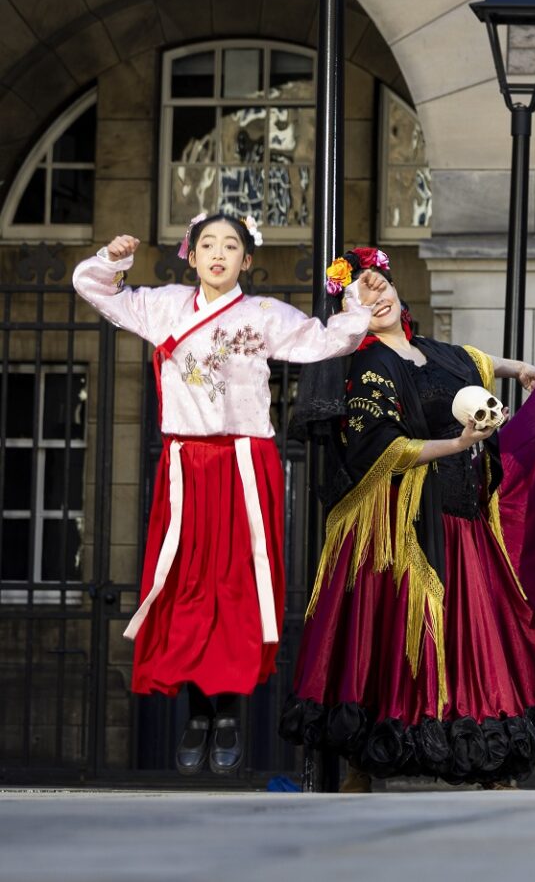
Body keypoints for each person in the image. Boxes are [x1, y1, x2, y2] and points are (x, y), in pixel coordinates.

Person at [71, 212, 370, 775]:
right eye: (208, 244)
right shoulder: (162, 306)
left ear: (246, 261)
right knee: (185, 584)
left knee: (236, 589)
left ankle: (228, 714)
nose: (218, 254)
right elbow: (90, 286)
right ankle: (198, 712)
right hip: (186, 464)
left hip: (244, 464)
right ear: (191, 253)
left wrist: (356, 293)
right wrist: (114, 257)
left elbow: (328, 340)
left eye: (231, 246)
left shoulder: (263, 315)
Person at [281, 247, 535, 789]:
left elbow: (473, 365)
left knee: (480, 638)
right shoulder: (364, 364)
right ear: (348, 312)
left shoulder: (435, 350)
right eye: (359, 292)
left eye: (379, 283)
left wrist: (521, 371)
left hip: (464, 512)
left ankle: (491, 759)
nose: (374, 294)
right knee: (387, 639)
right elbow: (383, 450)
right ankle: (363, 764)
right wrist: (459, 444)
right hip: (397, 525)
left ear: (397, 290)